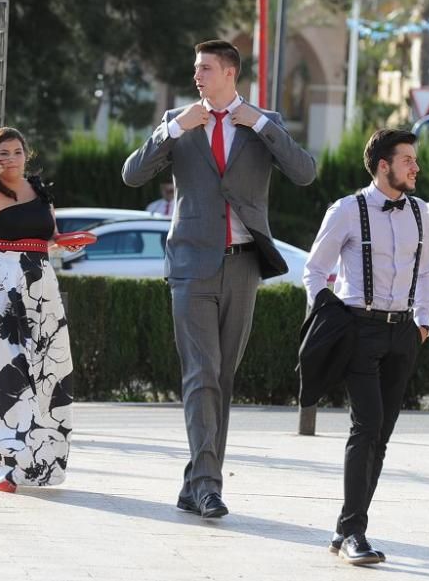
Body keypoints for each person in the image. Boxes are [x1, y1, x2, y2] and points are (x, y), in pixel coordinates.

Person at [122, 39, 317, 518]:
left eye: (205, 68)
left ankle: (196, 483)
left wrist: (264, 126)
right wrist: (170, 132)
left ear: (230, 73)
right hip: (191, 264)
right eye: (195, 68)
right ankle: (210, 484)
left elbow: (305, 173)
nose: (197, 76)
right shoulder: (179, 121)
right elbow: (132, 174)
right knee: (201, 373)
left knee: (222, 377)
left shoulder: (262, 122)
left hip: (244, 263)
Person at [302, 128, 429, 564]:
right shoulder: (346, 210)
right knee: (366, 426)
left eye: (414, 160)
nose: (415, 167)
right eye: (407, 160)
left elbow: (425, 272)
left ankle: (347, 531)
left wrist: (422, 323)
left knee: (381, 435)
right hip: (360, 330)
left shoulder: (420, 211)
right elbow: (314, 270)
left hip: (403, 334)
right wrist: (333, 317)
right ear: (383, 166)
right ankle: (354, 532)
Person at [0, 127, 82, 493]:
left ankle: (36, 461)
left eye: (16, 151)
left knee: (47, 370)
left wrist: (66, 245)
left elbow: (49, 238)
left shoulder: (40, 191)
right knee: (2, 369)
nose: (11, 158)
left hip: (38, 285)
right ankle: (3, 463)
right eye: (3, 153)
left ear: (26, 154)